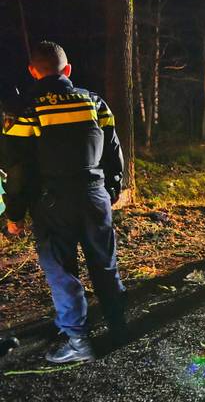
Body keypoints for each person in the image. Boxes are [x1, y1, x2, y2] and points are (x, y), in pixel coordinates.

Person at [1, 41, 126, 363]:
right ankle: (118, 326)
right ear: (67, 69)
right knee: (105, 263)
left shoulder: (28, 110)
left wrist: (14, 213)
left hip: (52, 201)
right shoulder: (95, 102)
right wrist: (112, 188)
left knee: (61, 271)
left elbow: (17, 169)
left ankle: (77, 340)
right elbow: (113, 150)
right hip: (94, 194)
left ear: (32, 71)